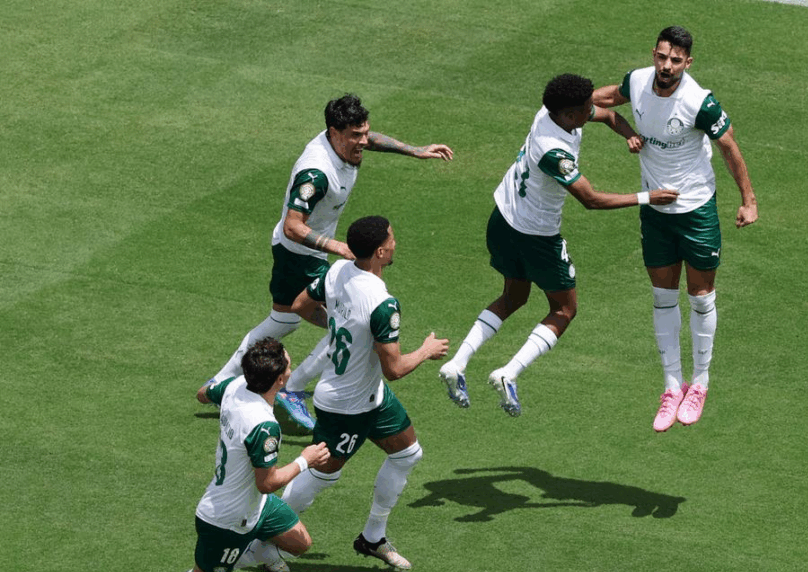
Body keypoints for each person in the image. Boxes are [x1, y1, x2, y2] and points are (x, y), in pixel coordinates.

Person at [199, 94, 453, 431]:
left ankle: (219, 385)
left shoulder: (348, 143)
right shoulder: (315, 174)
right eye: (354, 135)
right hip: (300, 255)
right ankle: (293, 387)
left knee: (284, 319)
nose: (363, 142)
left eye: (365, 133)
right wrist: (338, 247)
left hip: (308, 253)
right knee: (349, 323)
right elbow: (293, 226)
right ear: (333, 132)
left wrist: (415, 149)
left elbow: (371, 139)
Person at [437, 73, 678, 417]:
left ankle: (457, 364)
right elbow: (591, 200)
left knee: (514, 297)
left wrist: (630, 136)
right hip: (535, 235)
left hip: (503, 217)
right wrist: (648, 197)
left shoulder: (555, 111)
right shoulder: (553, 150)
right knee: (565, 309)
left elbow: (608, 114)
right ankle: (508, 373)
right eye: (584, 109)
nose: (590, 110)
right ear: (568, 116)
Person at [592, 26, 758, 430]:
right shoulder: (637, 82)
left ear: (688, 62)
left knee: (700, 297)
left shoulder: (698, 102)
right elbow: (597, 100)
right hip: (654, 211)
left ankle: (699, 383)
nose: (666, 66)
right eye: (662, 57)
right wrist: (622, 129)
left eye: (675, 60)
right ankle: (671, 387)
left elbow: (729, 146)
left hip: (696, 210)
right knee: (662, 297)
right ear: (654, 54)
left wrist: (748, 200)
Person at [131, 338, 332, 572]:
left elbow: (202, 394)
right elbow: (268, 482)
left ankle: (238, 558)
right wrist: (305, 461)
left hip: (255, 504)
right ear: (280, 379)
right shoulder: (264, 426)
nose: (291, 365)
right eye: (289, 364)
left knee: (299, 543)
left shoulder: (237, 384)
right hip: (228, 518)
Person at [281, 215, 448, 572]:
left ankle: (373, 537)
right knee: (323, 473)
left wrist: (342, 326)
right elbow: (396, 369)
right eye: (392, 238)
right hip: (345, 406)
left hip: (371, 395)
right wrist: (427, 350)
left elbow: (299, 306)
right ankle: (268, 533)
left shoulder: (338, 270)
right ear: (380, 251)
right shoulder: (382, 302)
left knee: (407, 454)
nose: (396, 242)